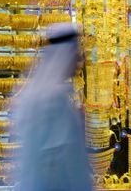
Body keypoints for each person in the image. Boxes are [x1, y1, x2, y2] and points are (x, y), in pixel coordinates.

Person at [12, 23, 92, 191]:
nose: (79, 61)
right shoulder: (52, 100)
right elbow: (66, 163)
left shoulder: (35, 93)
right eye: (76, 54)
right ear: (66, 55)